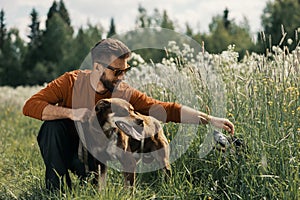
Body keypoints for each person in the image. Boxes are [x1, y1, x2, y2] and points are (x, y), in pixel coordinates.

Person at [23, 38, 234, 191]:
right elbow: (31, 105)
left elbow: (165, 109)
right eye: (117, 71)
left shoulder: (122, 93)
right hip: (65, 147)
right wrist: (71, 113)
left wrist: (210, 120)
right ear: (98, 67)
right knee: (52, 126)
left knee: (94, 177)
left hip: (93, 158)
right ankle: (55, 190)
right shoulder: (70, 81)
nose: (122, 76)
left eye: (125, 70)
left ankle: (90, 183)